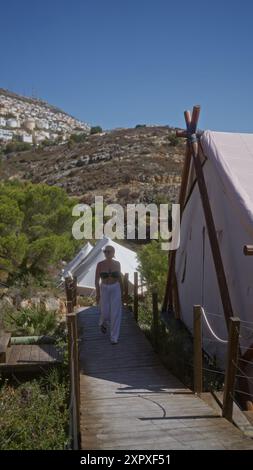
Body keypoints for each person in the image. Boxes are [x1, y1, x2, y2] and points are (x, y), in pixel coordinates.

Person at [95, 245, 123, 344]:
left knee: (115, 312)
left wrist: (122, 292)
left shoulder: (117, 264)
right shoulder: (100, 264)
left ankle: (114, 337)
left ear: (113, 252)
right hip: (104, 288)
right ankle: (103, 322)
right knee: (105, 311)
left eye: (108, 251)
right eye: (105, 252)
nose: (106, 253)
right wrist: (97, 293)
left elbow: (120, 278)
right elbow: (96, 280)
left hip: (115, 288)